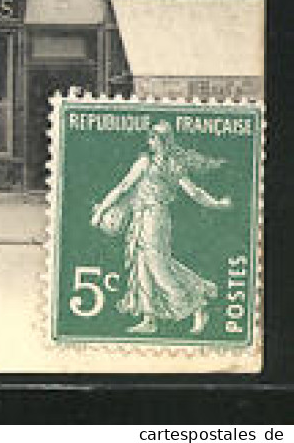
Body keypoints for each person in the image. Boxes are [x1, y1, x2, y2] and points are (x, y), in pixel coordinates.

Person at [91, 121, 232, 335]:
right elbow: (124, 187)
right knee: (141, 265)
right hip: (140, 217)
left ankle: (198, 302)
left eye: (154, 138)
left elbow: (193, 192)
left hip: (155, 218)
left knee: (158, 266)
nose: (150, 142)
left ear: (163, 140)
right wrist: (102, 209)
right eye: (149, 138)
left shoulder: (169, 164)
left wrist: (217, 204)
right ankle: (149, 319)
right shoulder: (149, 162)